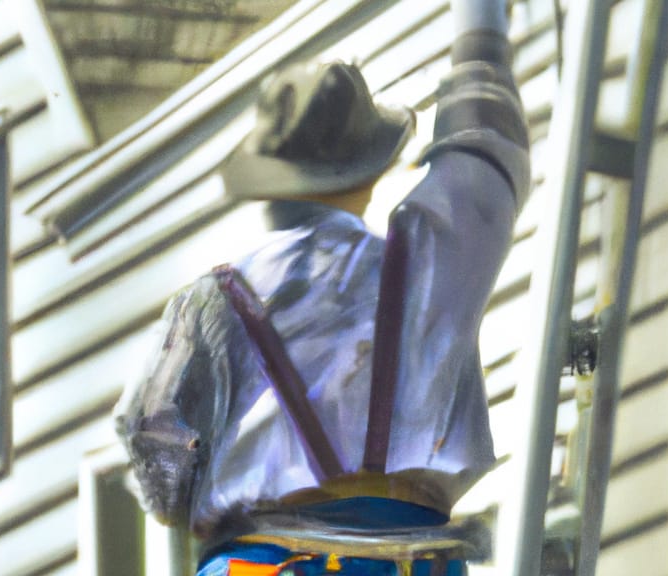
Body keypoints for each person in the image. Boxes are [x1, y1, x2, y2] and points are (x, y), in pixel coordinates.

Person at [114, 16, 530, 576]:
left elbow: (152, 433)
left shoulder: (213, 300)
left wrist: (196, 502)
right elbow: (484, 167)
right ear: (369, 173)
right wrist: (481, 42)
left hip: (264, 564)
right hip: (406, 563)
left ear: (271, 186)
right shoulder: (426, 265)